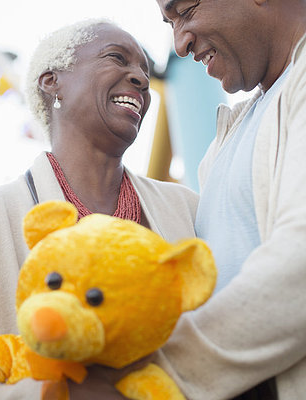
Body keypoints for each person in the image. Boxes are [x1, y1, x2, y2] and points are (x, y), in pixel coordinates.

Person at [0, 19, 200, 399]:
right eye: (117, 59)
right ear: (52, 82)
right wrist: (55, 391)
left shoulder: (187, 208)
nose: (139, 79)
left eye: (144, 71)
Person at [150, 1, 306, 399]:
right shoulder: (224, 144)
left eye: (184, 11)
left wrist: (155, 374)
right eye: (169, 24)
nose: (180, 43)